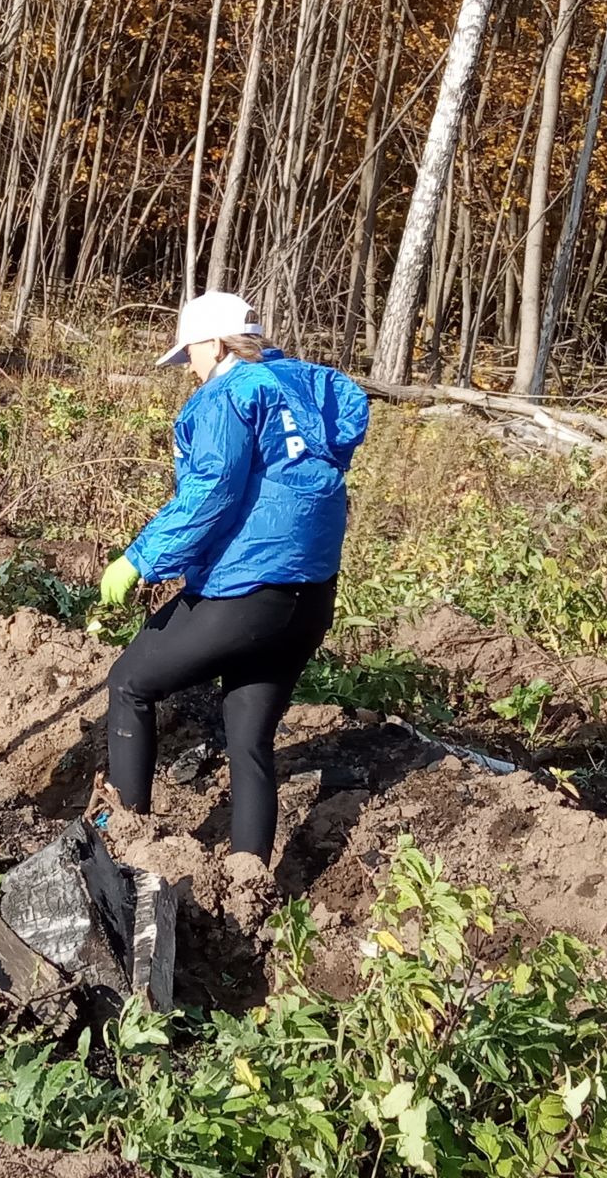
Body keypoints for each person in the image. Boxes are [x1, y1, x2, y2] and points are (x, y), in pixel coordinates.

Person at [97, 291, 369, 903]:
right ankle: (249, 883)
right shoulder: (302, 391)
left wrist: (140, 560)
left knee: (130, 684)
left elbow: (213, 489)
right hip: (308, 599)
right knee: (248, 737)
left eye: (190, 352)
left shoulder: (228, 396)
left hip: (249, 590)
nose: (187, 367)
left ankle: (123, 842)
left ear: (215, 344)